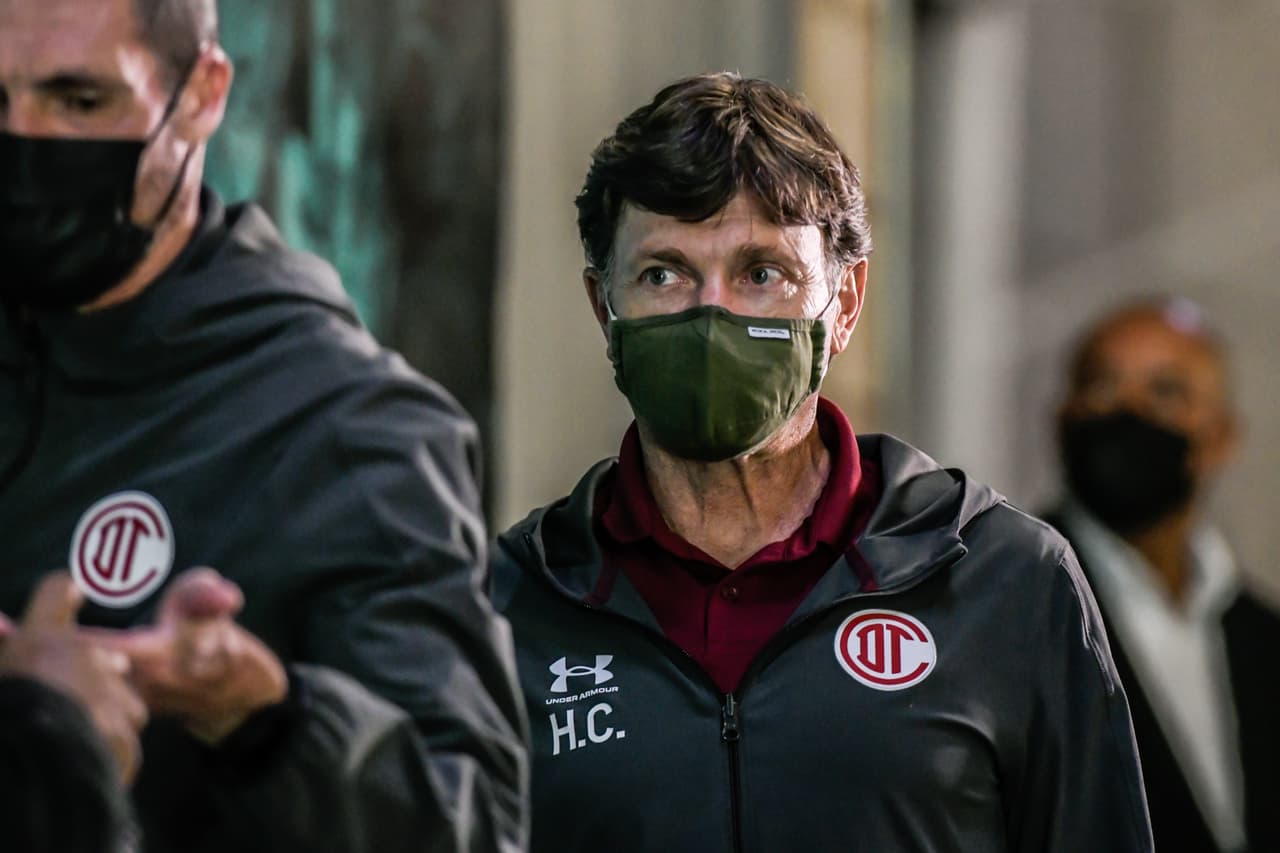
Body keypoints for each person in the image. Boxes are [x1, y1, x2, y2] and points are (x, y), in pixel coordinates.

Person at [490, 72, 1153, 852]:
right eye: (663, 274)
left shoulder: (1003, 584)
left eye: (761, 274)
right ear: (604, 308)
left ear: (844, 303)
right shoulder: (507, 607)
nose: (712, 316)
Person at [0, 1, 527, 851]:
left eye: (80, 100)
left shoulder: (351, 430)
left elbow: (471, 826)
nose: (26, 139)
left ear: (202, 95)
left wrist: (265, 722)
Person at [1044, 298, 1280, 853]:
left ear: (1221, 438)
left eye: (1166, 392)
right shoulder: (1008, 606)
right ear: (1063, 419)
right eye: (1102, 385)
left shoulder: (1264, 640)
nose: (1128, 411)